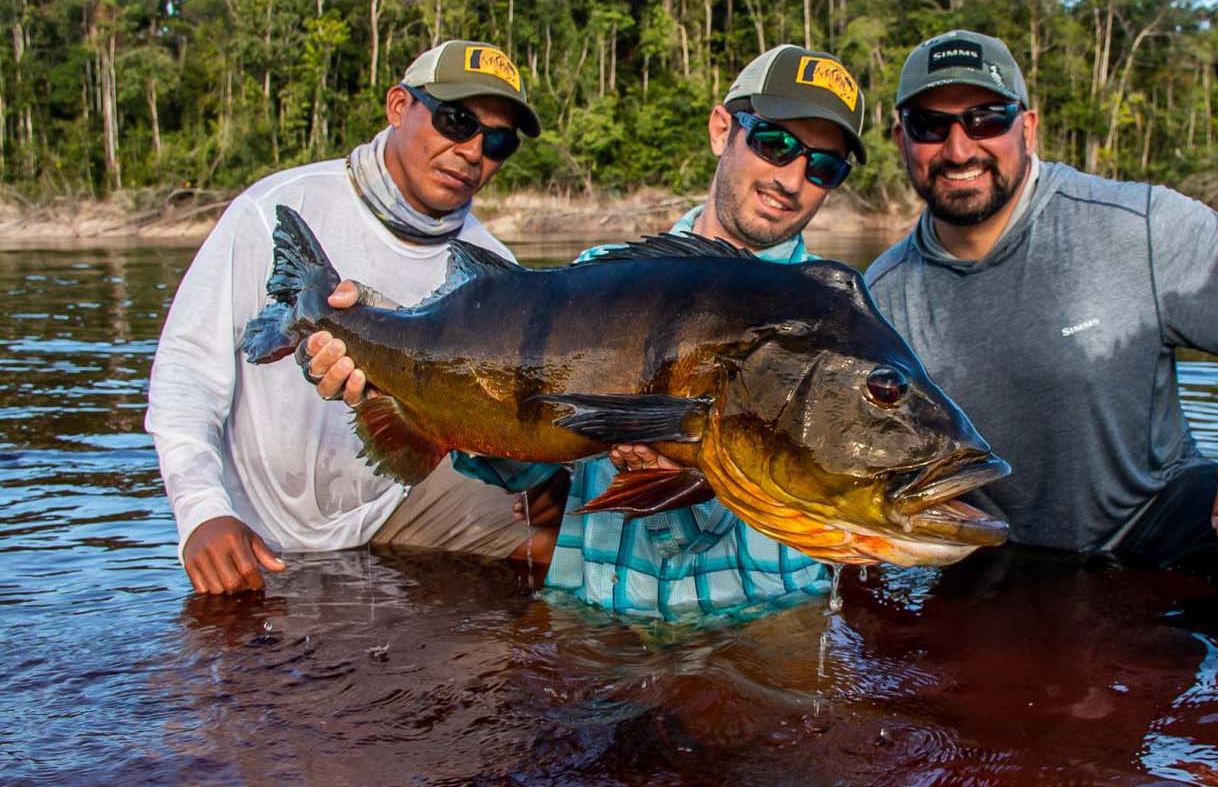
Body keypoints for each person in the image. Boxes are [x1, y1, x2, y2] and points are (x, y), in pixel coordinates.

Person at [307, 44, 868, 620]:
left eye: (825, 166)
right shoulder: (599, 274)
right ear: (722, 129)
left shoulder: (840, 332)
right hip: (601, 611)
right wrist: (398, 386)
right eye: (774, 143)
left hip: (765, 618)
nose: (793, 178)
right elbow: (522, 462)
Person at [864, 29, 1218, 608]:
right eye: (929, 126)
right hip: (991, 552)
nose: (960, 148)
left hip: (1152, 515)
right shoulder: (879, 296)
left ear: (1028, 126)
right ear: (901, 140)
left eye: (987, 119)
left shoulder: (1132, 226)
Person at [147, 40, 542, 596]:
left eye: (498, 140)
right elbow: (185, 375)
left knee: (553, 542)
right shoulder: (274, 211)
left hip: (400, 499)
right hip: (261, 515)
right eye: (456, 121)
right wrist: (201, 513)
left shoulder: (496, 269)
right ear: (399, 107)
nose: (473, 150)